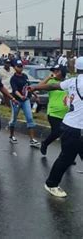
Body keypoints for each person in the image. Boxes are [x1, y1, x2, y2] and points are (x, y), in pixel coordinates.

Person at [29, 57, 83, 198]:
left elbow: (53, 86)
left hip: (71, 125)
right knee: (66, 158)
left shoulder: (73, 81)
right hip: (74, 128)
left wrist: (35, 87)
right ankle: (51, 184)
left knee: (69, 156)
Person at [8, 60, 40, 147]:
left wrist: (35, 95)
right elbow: (15, 90)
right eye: (18, 66)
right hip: (16, 100)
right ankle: (11, 135)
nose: (20, 68)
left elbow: (28, 87)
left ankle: (32, 139)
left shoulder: (25, 76)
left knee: (30, 118)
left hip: (26, 100)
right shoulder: (13, 78)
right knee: (14, 118)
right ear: (15, 67)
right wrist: (20, 96)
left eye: (21, 66)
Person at [38, 64, 68, 156]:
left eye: (57, 71)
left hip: (66, 113)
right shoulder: (51, 82)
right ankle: (45, 143)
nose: (55, 73)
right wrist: (48, 77)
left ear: (62, 72)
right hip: (53, 113)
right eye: (53, 71)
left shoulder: (67, 82)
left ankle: (65, 155)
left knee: (66, 135)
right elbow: (39, 87)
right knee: (57, 132)